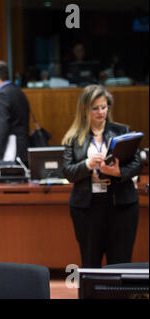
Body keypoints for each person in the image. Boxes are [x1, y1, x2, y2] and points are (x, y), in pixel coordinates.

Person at [62, 85, 142, 268]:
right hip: (88, 208)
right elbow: (67, 172)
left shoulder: (122, 132)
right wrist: (87, 165)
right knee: (90, 262)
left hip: (121, 205)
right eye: (95, 108)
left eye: (104, 107)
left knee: (121, 262)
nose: (101, 112)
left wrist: (119, 172)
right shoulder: (73, 138)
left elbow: (137, 164)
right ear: (85, 109)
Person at [0, 60, 30, 164]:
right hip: (22, 149)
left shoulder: (2, 95)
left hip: (10, 152)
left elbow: (2, 126)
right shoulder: (19, 92)